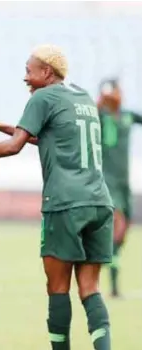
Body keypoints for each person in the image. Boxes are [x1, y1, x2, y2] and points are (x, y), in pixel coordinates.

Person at [0, 44, 114, 350]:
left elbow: (14, 147)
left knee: (57, 288)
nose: (25, 78)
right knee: (90, 288)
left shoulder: (43, 97)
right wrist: (1, 125)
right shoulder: (82, 97)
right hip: (99, 202)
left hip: (65, 204)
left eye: (29, 71)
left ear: (46, 72)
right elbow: (51, 136)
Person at [97, 78, 142, 297]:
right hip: (107, 181)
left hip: (124, 183)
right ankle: (110, 285)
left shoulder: (127, 116)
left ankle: (113, 283)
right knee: (118, 224)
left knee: (121, 235)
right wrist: (100, 101)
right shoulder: (100, 116)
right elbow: (90, 114)